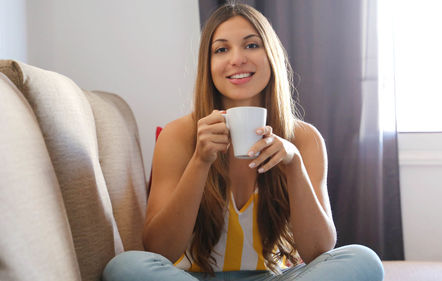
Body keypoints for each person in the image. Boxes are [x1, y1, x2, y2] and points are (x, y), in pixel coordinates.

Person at [102, 3, 384, 281]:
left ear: (270, 56)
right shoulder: (178, 136)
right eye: (221, 49)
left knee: (362, 260)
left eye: (251, 45)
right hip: (192, 277)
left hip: (273, 277)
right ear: (208, 65)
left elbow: (319, 251)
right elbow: (160, 249)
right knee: (125, 267)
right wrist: (200, 161)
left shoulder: (304, 139)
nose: (237, 59)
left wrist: (294, 165)